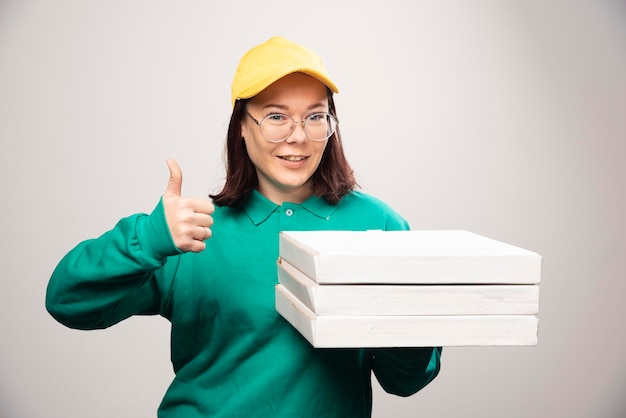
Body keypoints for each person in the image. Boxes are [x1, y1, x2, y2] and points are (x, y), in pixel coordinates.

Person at [46, 36, 442, 417]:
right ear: (241, 124)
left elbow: (406, 380)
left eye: (315, 117)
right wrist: (149, 237)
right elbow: (68, 302)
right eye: (276, 117)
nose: (299, 136)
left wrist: (407, 322)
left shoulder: (379, 226)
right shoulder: (190, 231)